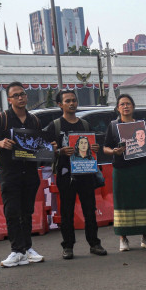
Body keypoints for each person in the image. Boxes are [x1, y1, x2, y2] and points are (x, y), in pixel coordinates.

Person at [0, 82, 45, 267]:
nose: (21, 98)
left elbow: (38, 144)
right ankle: (16, 251)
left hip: (29, 172)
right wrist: (0, 144)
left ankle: (27, 248)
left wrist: (49, 149)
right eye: (16, 95)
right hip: (9, 172)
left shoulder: (34, 120)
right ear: (9, 99)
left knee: (27, 211)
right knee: (12, 212)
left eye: (23, 94)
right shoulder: (1, 119)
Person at [43, 89, 106, 260]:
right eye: (68, 101)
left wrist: (95, 149)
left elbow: (94, 147)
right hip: (65, 173)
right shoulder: (55, 126)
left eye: (74, 100)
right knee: (67, 211)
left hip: (86, 173)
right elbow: (45, 151)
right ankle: (68, 246)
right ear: (60, 104)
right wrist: (59, 151)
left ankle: (94, 243)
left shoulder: (85, 125)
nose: (72, 103)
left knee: (89, 210)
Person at [103, 93, 146, 252]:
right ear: (118, 108)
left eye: (128, 104)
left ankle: (145, 236)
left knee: (142, 201)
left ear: (133, 106)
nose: (125, 107)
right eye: (122, 104)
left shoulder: (141, 125)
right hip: (121, 169)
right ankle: (123, 238)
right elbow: (105, 147)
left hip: (140, 168)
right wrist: (113, 151)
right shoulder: (113, 126)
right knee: (122, 202)